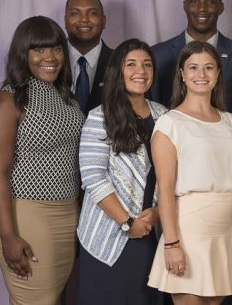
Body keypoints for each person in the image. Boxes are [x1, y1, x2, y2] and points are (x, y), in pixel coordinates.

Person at [0, 16, 85, 305]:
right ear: (23, 54)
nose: (50, 57)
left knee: (51, 299)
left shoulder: (67, 97)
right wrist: (8, 237)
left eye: (56, 48)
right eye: (39, 50)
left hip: (67, 215)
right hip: (26, 215)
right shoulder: (8, 101)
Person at [148, 41, 232, 305]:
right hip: (189, 231)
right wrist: (172, 244)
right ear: (182, 74)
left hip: (225, 229)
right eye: (193, 67)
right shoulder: (170, 123)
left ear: (218, 73)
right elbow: (165, 190)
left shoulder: (230, 121)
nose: (201, 75)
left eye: (208, 68)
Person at [76, 39, 167, 304]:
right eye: (132, 64)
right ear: (118, 71)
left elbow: (173, 177)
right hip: (109, 233)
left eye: (147, 64)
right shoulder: (100, 116)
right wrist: (127, 223)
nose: (141, 70)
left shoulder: (164, 116)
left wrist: (159, 212)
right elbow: (93, 178)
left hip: (152, 231)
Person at [151, 0, 232, 127]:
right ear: (185, 5)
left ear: (221, 7)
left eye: (210, 1)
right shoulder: (158, 55)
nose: (202, 9)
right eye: (194, 1)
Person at [65, 0, 113, 114]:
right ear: (65, 21)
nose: (84, 19)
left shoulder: (121, 62)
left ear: (104, 21)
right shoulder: (46, 62)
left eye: (92, 13)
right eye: (75, 13)